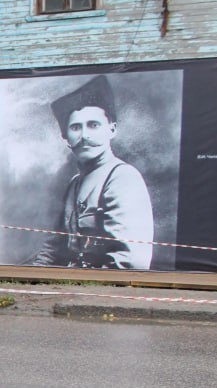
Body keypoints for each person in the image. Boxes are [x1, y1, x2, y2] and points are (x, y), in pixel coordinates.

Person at [32, 75, 154, 270]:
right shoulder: (74, 184)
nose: (85, 136)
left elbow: (129, 261)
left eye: (93, 125)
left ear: (112, 129)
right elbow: (53, 249)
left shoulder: (123, 178)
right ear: (66, 138)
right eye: (75, 127)